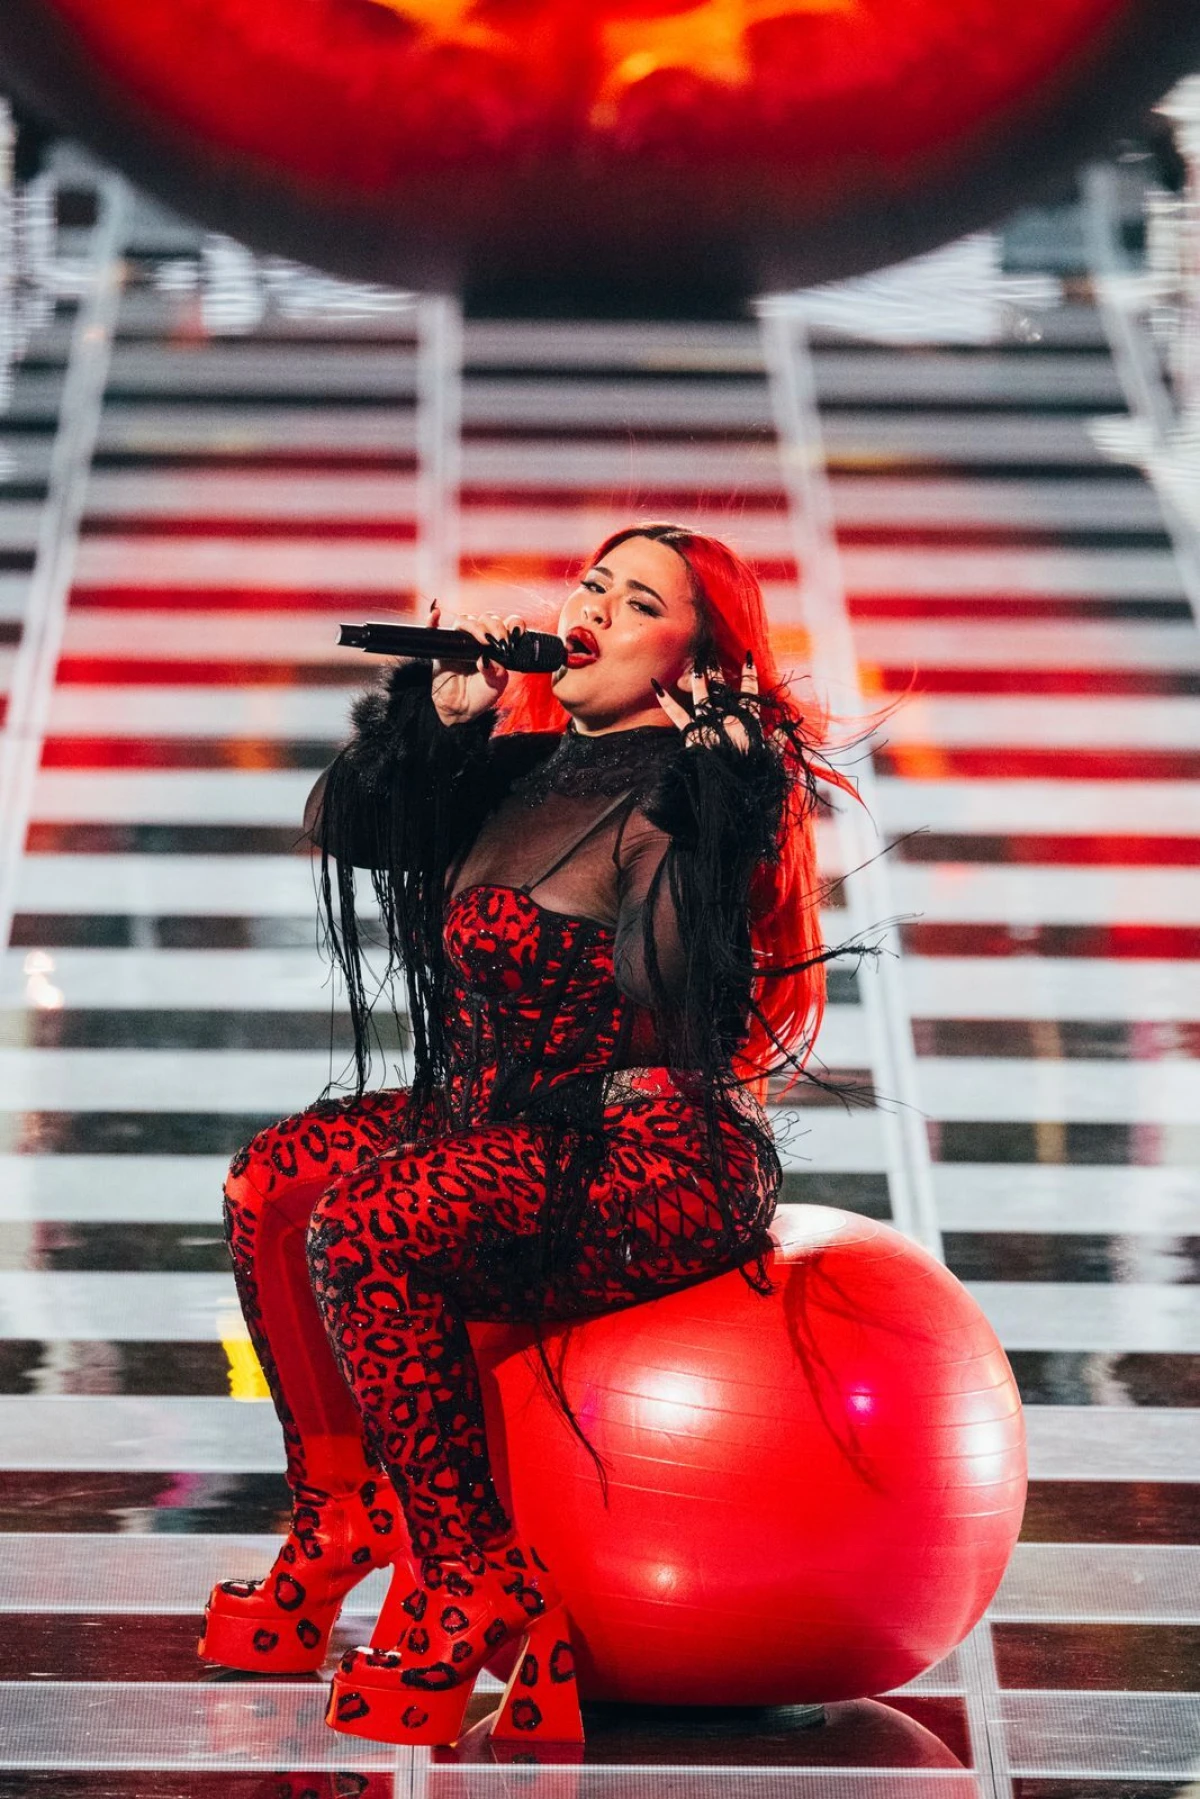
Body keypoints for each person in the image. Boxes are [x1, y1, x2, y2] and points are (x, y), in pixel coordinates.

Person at [198, 523, 852, 1745]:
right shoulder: (525, 765)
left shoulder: (689, 793)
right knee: (273, 1180)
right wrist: (437, 727)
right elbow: (342, 822)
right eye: (594, 581)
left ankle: (473, 1573)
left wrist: (717, 810)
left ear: (698, 664)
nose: (594, 605)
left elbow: (668, 986)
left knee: (367, 1224)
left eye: (640, 599)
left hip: (648, 1150)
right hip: (498, 1118)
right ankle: (339, 1512)